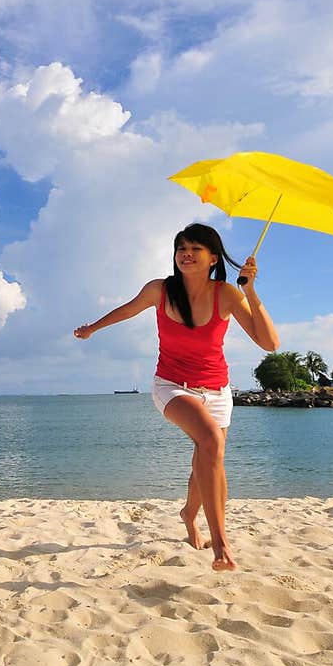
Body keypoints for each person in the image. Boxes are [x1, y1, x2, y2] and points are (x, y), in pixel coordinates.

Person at [73, 223, 280, 571]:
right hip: (172, 386)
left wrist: (251, 292)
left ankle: (189, 514)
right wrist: (93, 327)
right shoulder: (161, 289)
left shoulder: (227, 294)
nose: (186, 253)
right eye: (181, 247)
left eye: (195, 248)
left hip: (217, 390)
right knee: (211, 442)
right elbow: (127, 310)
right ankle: (221, 545)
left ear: (213, 257)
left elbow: (270, 344)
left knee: (209, 455)